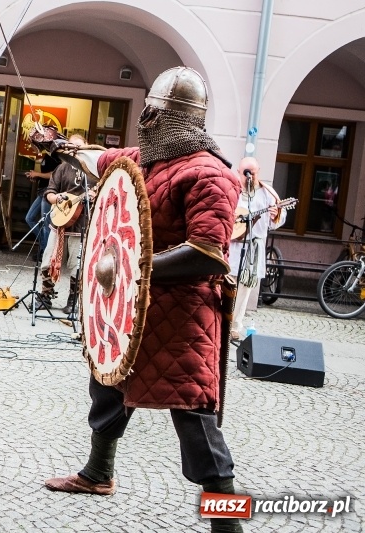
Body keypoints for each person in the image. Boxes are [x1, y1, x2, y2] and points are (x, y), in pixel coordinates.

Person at [44, 67, 244, 533]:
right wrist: (61, 146)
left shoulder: (210, 174)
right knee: (108, 384)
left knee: (195, 422)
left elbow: (209, 253)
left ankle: (229, 526)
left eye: (154, 112)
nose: (145, 119)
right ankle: (98, 473)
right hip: (131, 311)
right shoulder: (145, 160)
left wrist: (133, 268)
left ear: (172, 117)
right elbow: (99, 160)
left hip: (183, 317)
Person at [229, 157, 286, 340]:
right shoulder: (232, 190)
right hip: (233, 246)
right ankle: (222, 323)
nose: (249, 177)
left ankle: (235, 326)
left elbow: (276, 222)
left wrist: (276, 216)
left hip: (253, 247)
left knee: (244, 288)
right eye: (245, 173)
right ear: (239, 172)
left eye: (252, 173)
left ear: (258, 172)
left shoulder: (268, 194)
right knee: (227, 284)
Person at [37, 134, 93, 313]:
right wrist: (56, 199)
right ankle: (45, 297)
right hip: (59, 221)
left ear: (86, 146)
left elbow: (101, 192)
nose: (75, 149)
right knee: (48, 261)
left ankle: (72, 301)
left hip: (80, 224)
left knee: (76, 266)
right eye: (72, 146)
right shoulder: (62, 168)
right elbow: (50, 192)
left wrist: (93, 195)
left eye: (79, 146)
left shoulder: (93, 170)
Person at [24, 152, 59, 259]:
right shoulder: (46, 156)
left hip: (49, 191)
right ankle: (44, 246)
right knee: (29, 218)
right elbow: (46, 175)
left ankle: (45, 252)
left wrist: (37, 174)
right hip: (42, 191)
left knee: (46, 222)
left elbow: (54, 175)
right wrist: (35, 176)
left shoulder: (55, 157)